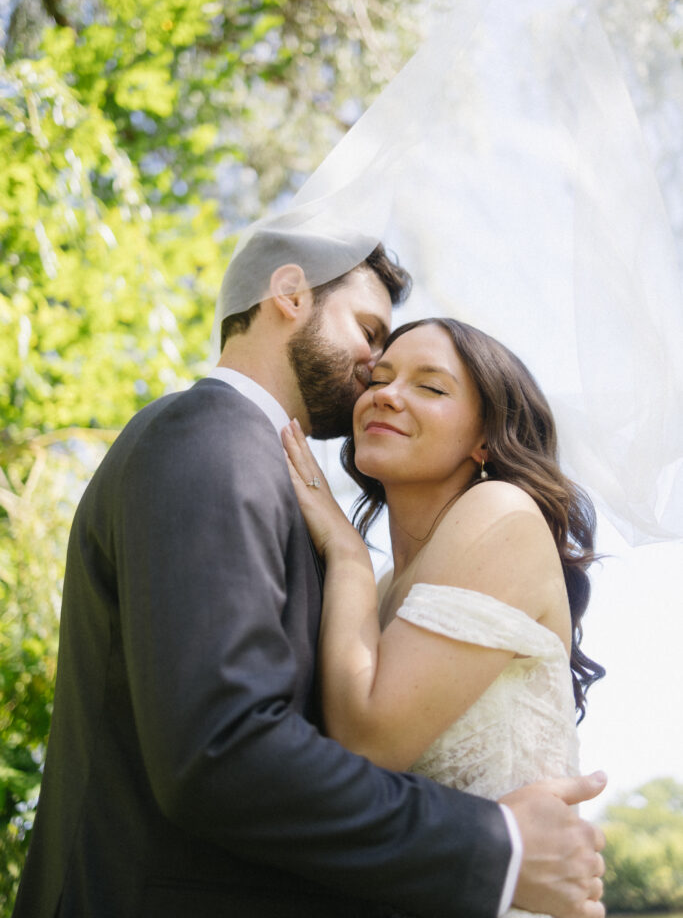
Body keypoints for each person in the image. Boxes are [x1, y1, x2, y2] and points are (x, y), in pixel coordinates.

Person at [13, 243, 606, 918]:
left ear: (483, 436)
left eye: (428, 385)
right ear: (290, 295)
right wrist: (495, 847)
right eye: (371, 340)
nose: (375, 385)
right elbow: (227, 745)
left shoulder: (451, 525)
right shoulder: (212, 434)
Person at [283, 316, 608, 916]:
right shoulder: (382, 590)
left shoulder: (502, 511)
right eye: (379, 379)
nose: (385, 394)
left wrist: (347, 556)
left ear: (485, 440)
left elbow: (367, 745)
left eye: (430, 388)